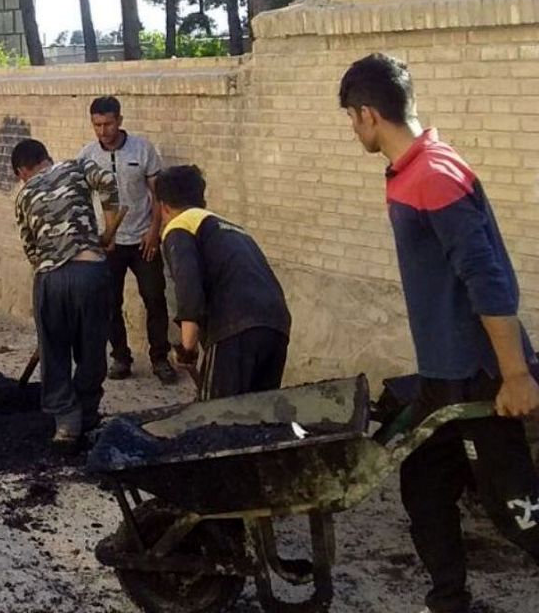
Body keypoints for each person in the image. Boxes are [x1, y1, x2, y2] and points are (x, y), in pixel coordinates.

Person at [339, 53, 539, 613]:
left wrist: (516, 373)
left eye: (352, 120)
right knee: (424, 485)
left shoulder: (433, 177)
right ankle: (449, 600)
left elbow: (488, 278)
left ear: (368, 114)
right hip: (444, 374)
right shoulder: (418, 166)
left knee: (517, 511)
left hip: (480, 377)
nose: (353, 130)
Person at [12, 138, 123, 446]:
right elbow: (108, 180)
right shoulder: (76, 167)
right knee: (92, 349)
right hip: (91, 273)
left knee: (54, 352)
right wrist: (110, 229)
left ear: (22, 171)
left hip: (51, 279)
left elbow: (32, 251)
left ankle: (66, 425)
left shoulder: (23, 196)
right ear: (47, 157)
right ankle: (87, 414)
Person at [155, 165, 291, 400]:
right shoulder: (231, 228)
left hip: (234, 327)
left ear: (163, 207)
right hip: (276, 324)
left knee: (217, 417)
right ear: (202, 200)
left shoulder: (180, 225)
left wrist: (187, 348)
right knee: (260, 415)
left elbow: (188, 288)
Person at [78, 96, 176, 384]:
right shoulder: (86, 156)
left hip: (143, 239)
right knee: (109, 303)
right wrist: (94, 237)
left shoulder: (142, 149)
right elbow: (82, 199)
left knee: (155, 298)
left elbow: (157, 194)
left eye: (108, 123)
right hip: (108, 243)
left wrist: (154, 231)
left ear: (120, 120)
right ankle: (120, 357)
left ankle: (160, 358)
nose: (103, 130)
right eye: (97, 125)